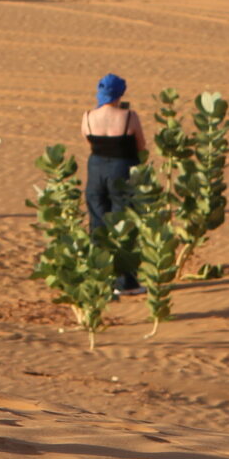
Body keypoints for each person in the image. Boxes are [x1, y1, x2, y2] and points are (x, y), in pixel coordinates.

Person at [81, 73, 148, 294]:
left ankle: (101, 280)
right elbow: (141, 146)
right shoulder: (129, 116)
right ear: (120, 94)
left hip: (96, 171)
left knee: (97, 223)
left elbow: (88, 140)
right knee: (123, 224)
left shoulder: (88, 116)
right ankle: (126, 282)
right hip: (122, 171)